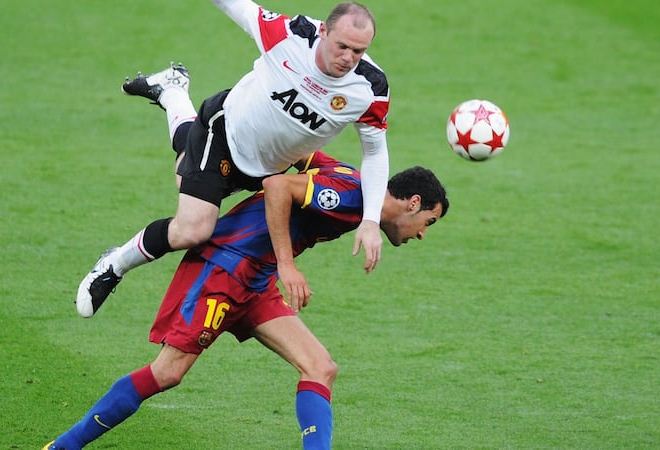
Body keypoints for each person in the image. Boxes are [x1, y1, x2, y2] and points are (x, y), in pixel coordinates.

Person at [46, 151, 449, 449]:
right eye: (427, 222)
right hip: (222, 270)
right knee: (167, 373)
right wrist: (288, 267)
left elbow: (301, 154)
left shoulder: (348, 180)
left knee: (320, 367)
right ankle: (62, 446)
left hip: (255, 280)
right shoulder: (347, 195)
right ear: (413, 203)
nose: (421, 233)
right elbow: (278, 187)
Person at [76, 0, 393, 315]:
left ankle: (171, 91)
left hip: (265, 166)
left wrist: (370, 221)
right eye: (343, 46)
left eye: (359, 51)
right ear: (323, 31)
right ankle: (113, 265)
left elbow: (375, 153)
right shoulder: (289, 35)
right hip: (223, 131)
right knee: (193, 229)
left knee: (183, 173)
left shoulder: (370, 88)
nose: (349, 58)